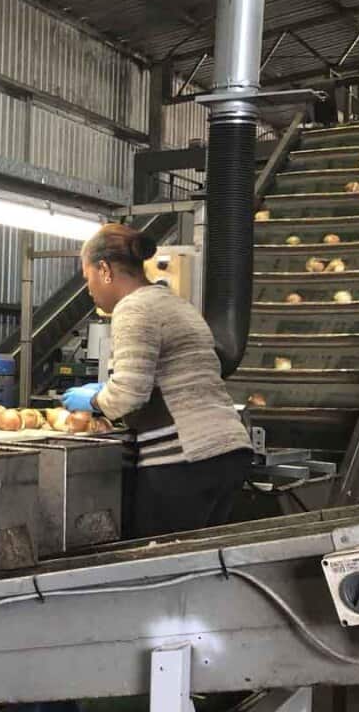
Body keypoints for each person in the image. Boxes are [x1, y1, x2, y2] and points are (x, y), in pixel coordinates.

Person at [61, 222, 253, 539]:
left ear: (104, 270)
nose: (89, 289)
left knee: (159, 560)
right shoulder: (175, 303)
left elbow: (129, 395)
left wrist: (94, 400)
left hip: (185, 458)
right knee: (197, 558)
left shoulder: (133, 308)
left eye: (88, 277)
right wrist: (108, 390)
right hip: (227, 452)